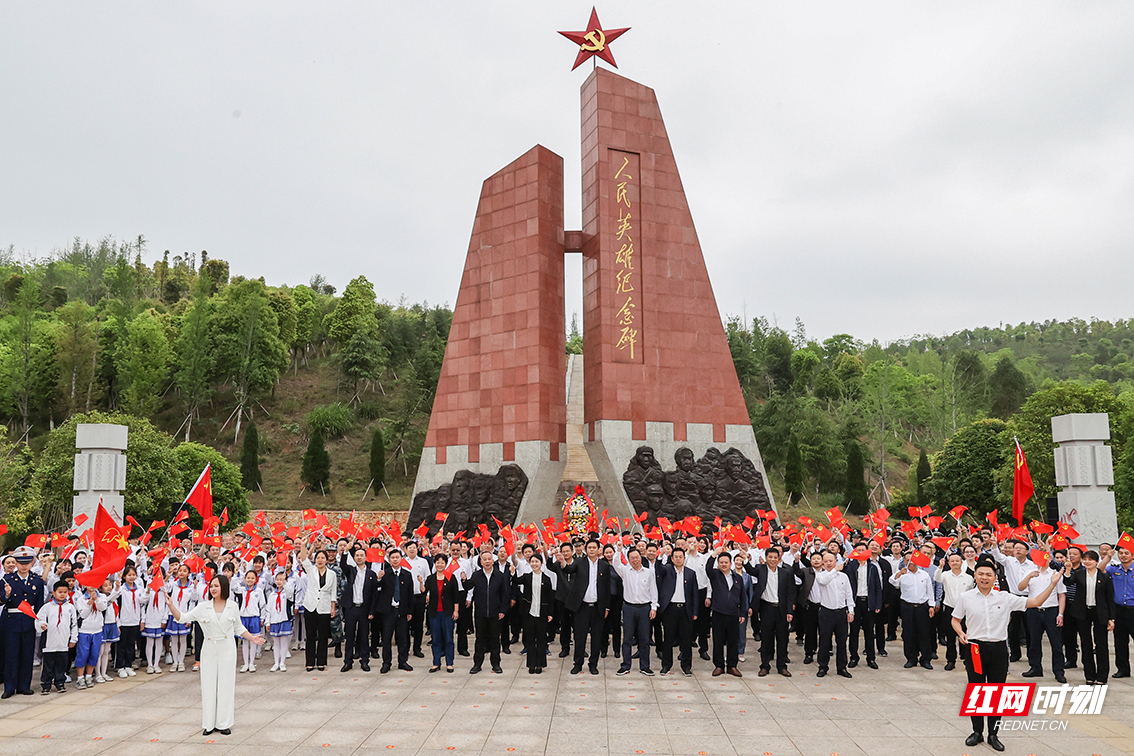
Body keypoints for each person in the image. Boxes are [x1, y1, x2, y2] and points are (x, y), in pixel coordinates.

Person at [952, 556, 1064, 752]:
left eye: (989, 574)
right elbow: (955, 619)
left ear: (995, 577)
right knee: (976, 691)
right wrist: (961, 632)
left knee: (996, 693)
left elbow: (1036, 601)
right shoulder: (965, 597)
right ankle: (977, 732)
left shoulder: (1004, 597)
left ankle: (993, 734)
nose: (984, 578)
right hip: (975, 648)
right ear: (975, 576)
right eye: (981, 574)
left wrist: (1053, 584)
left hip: (998, 649)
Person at [170, 574, 265, 736]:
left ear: (223, 587)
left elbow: (239, 628)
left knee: (226, 685)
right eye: (211, 586)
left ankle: (224, 723)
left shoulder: (233, 606)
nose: (213, 589)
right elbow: (182, 618)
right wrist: (171, 605)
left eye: (216, 586)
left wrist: (252, 638)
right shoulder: (203, 606)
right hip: (209, 649)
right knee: (208, 685)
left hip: (227, 648)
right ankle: (209, 724)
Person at [557, 539, 612, 675]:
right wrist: (563, 562)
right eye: (590, 548)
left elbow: (607, 588)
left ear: (599, 549)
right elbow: (569, 570)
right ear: (586, 549)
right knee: (580, 637)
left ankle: (593, 664)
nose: (592, 550)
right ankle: (578, 663)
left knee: (596, 637)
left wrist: (606, 607)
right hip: (582, 607)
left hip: (598, 607)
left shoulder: (604, 566)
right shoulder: (580, 562)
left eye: (594, 547)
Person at [745, 546, 797, 677]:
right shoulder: (760, 569)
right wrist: (745, 559)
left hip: (782, 609)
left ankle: (782, 666)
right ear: (766, 558)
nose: (773, 560)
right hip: (766, 608)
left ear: (779, 559)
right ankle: (764, 666)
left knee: (782, 638)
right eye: (770, 557)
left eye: (775, 557)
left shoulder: (786, 573)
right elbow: (750, 570)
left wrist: (790, 611)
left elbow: (791, 593)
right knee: (766, 639)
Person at [1064, 550, 1114, 684]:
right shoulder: (1079, 574)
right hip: (1082, 612)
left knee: (1101, 644)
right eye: (1085, 559)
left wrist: (1111, 618)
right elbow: (1067, 582)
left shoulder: (1104, 576)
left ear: (1097, 561)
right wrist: (1068, 570)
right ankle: (1090, 676)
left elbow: (1110, 599)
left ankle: (1102, 677)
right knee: (1086, 644)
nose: (1087, 562)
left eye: (1090, 559)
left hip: (1100, 613)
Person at [3, 545, 46, 698]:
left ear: (32, 562)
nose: (23, 565)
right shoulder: (7, 579)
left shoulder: (37, 580)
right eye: (20, 562)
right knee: (11, 655)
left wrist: (40, 620)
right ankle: (9, 687)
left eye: (27, 562)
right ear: (16, 562)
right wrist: (6, 595)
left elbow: (39, 604)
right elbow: (1, 601)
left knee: (27, 655)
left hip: (28, 621)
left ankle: (24, 685)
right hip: (11, 621)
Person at [611, 547, 659, 676]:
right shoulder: (625, 571)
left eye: (636, 557)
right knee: (627, 638)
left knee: (644, 639)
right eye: (632, 558)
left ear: (640, 557)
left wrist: (654, 607)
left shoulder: (648, 572)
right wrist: (618, 550)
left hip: (644, 608)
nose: (635, 560)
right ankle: (625, 665)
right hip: (629, 608)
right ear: (629, 559)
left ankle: (645, 666)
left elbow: (653, 591)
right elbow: (616, 563)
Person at [844, 542, 889, 670]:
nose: (861, 552)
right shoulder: (851, 567)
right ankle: (853, 657)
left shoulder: (872, 567)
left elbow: (878, 587)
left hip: (869, 602)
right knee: (854, 631)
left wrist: (878, 604)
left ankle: (871, 658)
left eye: (863, 549)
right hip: (855, 602)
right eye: (858, 550)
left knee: (869, 632)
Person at [655, 546, 698, 676]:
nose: (678, 559)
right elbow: (658, 568)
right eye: (676, 557)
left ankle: (686, 666)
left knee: (686, 640)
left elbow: (694, 594)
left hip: (685, 610)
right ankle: (666, 665)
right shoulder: (667, 570)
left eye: (681, 557)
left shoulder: (691, 573)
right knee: (668, 638)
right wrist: (660, 555)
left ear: (684, 558)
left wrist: (695, 612)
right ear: (672, 559)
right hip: (670, 609)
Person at [705, 548, 747, 677]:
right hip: (718, 613)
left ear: (731, 563)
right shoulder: (715, 575)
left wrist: (742, 613)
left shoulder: (737, 578)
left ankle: (732, 666)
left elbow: (742, 596)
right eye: (721, 562)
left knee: (733, 641)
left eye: (726, 562)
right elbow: (707, 568)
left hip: (734, 613)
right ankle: (719, 666)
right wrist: (714, 554)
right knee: (718, 641)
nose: (724, 564)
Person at [889, 553, 935, 670]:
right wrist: (899, 573)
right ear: (904, 561)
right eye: (908, 560)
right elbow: (892, 581)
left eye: (913, 560)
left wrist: (931, 606)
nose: (911, 563)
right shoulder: (902, 574)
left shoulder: (924, 575)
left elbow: (929, 592)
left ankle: (925, 659)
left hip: (922, 607)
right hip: (907, 607)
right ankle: (911, 658)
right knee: (908, 633)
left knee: (924, 633)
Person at [338, 546, 380, 673]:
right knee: (349, 636)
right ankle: (348, 662)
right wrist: (346, 551)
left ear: (366, 557)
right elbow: (342, 564)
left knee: (363, 636)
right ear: (354, 557)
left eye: (362, 555)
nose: (359, 557)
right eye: (357, 555)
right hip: (351, 608)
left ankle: (365, 661)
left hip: (364, 609)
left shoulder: (371, 574)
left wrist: (372, 611)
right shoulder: (351, 571)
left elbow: (374, 595)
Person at [813, 551, 854, 678]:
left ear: (836, 561)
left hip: (841, 612)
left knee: (842, 642)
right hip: (826, 612)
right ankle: (823, 667)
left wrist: (851, 610)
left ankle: (842, 667)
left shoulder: (844, 577)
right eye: (825, 561)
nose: (828, 563)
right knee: (825, 641)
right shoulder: (821, 575)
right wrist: (834, 570)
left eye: (831, 561)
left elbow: (849, 594)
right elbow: (824, 581)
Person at [298, 543, 338, 672]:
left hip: (325, 607)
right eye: (318, 558)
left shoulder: (332, 574)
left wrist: (333, 607)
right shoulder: (311, 570)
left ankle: (321, 662)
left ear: (326, 560)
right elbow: (304, 559)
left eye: (322, 558)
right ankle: (310, 662)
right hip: (310, 606)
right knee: (310, 636)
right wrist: (303, 546)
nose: (320, 560)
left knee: (323, 636)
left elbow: (333, 592)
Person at [466, 550, 508, 674]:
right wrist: (464, 580)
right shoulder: (476, 575)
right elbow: (469, 587)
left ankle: (496, 664)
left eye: (489, 559)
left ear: (493, 560)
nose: (487, 561)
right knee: (480, 640)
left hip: (495, 613)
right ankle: (477, 664)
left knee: (495, 639)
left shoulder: (499, 575)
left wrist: (502, 610)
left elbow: (504, 595)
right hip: (480, 613)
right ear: (481, 562)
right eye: (484, 559)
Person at [374, 548, 415, 673]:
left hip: (402, 611)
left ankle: (402, 661)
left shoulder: (407, 574)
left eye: (397, 557)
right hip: (388, 611)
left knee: (402, 638)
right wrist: (378, 579)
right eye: (392, 558)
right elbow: (375, 589)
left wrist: (410, 611)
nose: (395, 560)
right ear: (389, 559)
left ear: (401, 558)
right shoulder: (385, 574)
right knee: (386, 639)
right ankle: (386, 663)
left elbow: (410, 594)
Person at [514, 552, 554, 674]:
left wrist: (550, 613)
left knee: (541, 640)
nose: (534, 564)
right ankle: (531, 664)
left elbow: (550, 598)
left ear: (541, 563)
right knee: (530, 640)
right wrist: (512, 571)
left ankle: (540, 664)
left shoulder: (546, 579)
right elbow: (515, 581)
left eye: (537, 561)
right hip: (529, 613)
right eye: (532, 562)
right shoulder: (526, 577)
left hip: (542, 613)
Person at [36, 581, 78, 694]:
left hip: (63, 642)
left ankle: (60, 682)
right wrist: (42, 625)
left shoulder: (70, 607)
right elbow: (39, 619)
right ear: (54, 593)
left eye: (65, 592)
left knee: (61, 664)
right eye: (60, 592)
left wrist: (73, 639)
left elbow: (74, 624)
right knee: (48, 665)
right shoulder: (47, 607)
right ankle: (46, 684)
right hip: (50, 642)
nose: (63, 594)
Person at [935, 552, 975, 670]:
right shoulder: (946, 575)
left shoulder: (968, 578)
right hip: (950, 609)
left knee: (965, 635)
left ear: (961, 562)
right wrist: (940, 567)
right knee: (950, 636)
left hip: (965, 610)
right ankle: (951, 660)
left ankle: (966, 659)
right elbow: (937, 578)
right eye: (952, 561)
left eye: (957, 561)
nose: (955, 563)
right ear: (949, 563)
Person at [424, 553, 460, 673]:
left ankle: (450, 663)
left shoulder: (451, 577)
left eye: (442, 562)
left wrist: (456, 611)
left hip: (447, 612)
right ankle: (436, 663)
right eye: (437, 562)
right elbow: (425, 591)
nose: (440, 565)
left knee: (449, 639)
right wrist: (420, 582)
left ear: (446, 564)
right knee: (436, 639)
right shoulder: (430, 578)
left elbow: (456, 596)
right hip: (434, 613)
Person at [1105, 541, 1133, 678]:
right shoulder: (1114, 568)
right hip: (1119, 610)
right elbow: (1099, 569)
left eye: (1126, 553)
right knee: (1120, 642)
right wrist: (1107, 557)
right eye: (1120, 553)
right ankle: (1123, 669)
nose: (1123, 556)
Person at [74, 584, 108, 689]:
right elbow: (83, 614)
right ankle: (80, 678)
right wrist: (89, 603)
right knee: (83, 654)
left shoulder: (102, 596)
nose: (92, 586)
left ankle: (89, 676)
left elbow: (102, 608)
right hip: (85, 630)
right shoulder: (80, 599)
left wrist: (96, 599)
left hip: (97, 629)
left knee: (94, 654)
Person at [264, 569, 296, 672]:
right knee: (276, 643)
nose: (279, 581)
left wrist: (285, 583)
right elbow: (268, 609)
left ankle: (282, 662)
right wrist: (267, 622)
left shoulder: (286, 593)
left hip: (284, 619)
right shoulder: (272, 595)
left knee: (283, 642)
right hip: (274, 621)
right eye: (277, 579)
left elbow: (290, 593)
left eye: (281, 579)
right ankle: (276, 662)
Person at [141, 568, 168, 675]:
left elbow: (167, 605)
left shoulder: (164, 589)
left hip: (160, 618)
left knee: (159, 642)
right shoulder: (149, 587)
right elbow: (142, 602)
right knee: (149, 642)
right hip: (149, 619)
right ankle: (149, 664)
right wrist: (148, 591)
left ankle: (156, 664)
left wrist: (164, 618)